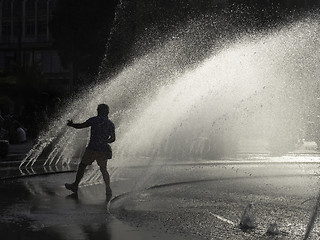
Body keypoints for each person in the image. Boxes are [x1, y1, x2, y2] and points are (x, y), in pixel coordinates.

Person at [65, 104, 116, 203]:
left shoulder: (94, 120)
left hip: (92, 149)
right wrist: (105, 141)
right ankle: (108, 189)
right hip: (102, 150)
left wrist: (71, 124)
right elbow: (113, 138)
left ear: (98, 111)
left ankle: (75, 185)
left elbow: (81, 126)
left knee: (82, 166)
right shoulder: (110, 124)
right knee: (103, 169)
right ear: (107, 112)